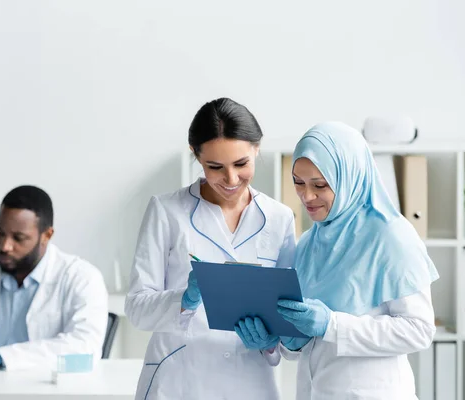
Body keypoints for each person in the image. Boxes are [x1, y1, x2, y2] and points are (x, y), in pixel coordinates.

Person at [238, 121, 439, 398]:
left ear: (348, 177)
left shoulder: (391, 236)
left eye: (320, 185)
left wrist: (331, 324)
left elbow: (419, 330)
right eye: (298, 183)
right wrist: (279, 340)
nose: (307, 196)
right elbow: (306, 343)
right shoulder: (309, 242)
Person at [125, 98, 296, 399]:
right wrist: (184, 299)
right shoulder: (167, 211)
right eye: (215, 167)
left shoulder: (279, 218)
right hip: (180, 381)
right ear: (196, 155)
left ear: (257, 148)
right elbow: (137, 308)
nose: (230, 179)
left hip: (251, 382)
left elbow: (287, 319)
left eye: (241, 164)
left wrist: (270, 341)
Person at [0, 185, 109, 371]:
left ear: (47, 235)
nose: (5, 246)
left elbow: (84, 347)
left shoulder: (81, 277)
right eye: (1, 233)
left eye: (18, 238)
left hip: (43, 389)